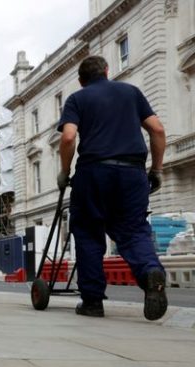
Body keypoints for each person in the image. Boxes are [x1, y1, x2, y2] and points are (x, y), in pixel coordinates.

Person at [58, 55, 167, 320]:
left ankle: (93, 302)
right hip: (132, 172)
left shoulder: (77, 99)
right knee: (134, 230)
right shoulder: (131, 92)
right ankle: (150, 272)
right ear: (107, 71)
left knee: (88, 233)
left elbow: (69, 137)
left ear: (81, 80)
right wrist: (156, 170)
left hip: (93, 172)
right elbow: (157, 130)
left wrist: (64, 171)